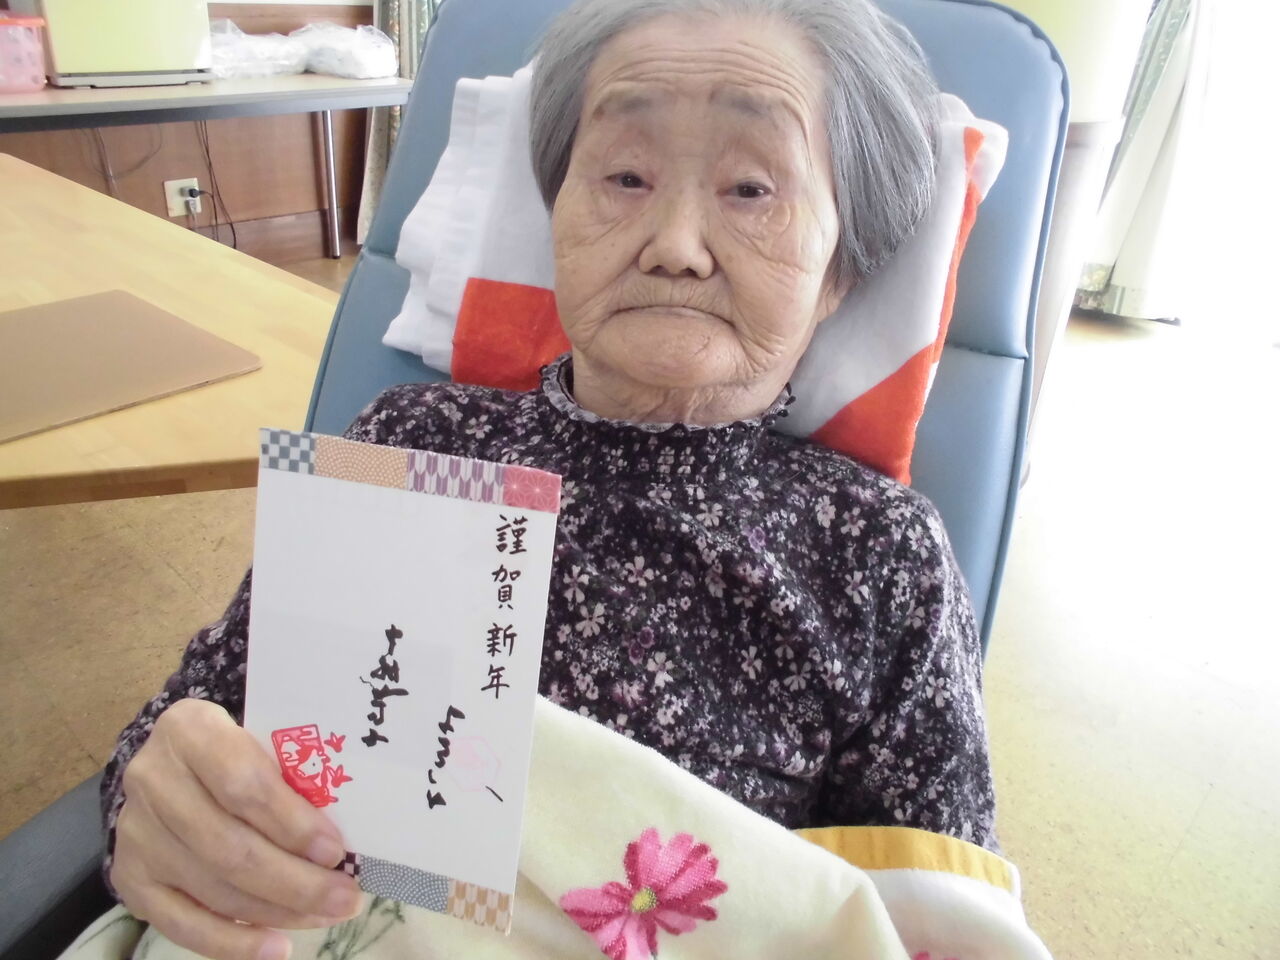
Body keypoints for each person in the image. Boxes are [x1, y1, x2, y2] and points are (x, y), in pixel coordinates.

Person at [102, 1, 996, 958]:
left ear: (839, 273)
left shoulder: (878, 551)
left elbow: (930, 922)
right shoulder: (408, 443)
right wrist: (154, 808)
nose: (675, 245)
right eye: (624, 176)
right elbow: (190, 737)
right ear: (557, 209)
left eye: (750, 189)